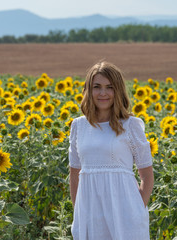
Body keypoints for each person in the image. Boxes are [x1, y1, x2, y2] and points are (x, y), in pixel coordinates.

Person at [68, 61, 154, 240]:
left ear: (118, 90)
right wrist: (79, 213)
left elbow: (146, 175)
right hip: (89, 213)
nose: (103, 93)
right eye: (96, 87)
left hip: (125, 213)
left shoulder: (131, 125)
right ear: (88, 90)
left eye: (109, 87)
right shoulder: (79, 126)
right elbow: (75, 175)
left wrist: (138, 209)